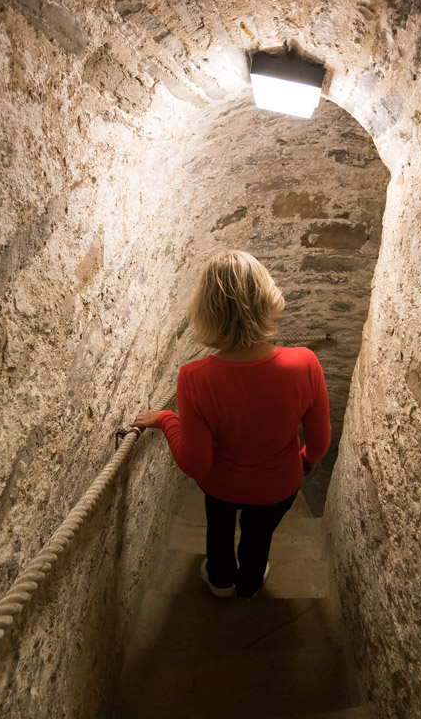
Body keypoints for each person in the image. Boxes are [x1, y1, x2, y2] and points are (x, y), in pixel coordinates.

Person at [132, 250, 331, 598]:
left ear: (207, 313)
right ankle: (250, 584)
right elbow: (319, 443)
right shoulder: (305, 364)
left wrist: (166, 419)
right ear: (267, 299)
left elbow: (196, 463)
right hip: (278, 486)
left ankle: (221, 580)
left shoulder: (194, 378)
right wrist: (304, 463)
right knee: (259, 537)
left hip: (221, 486)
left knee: (219, 529)